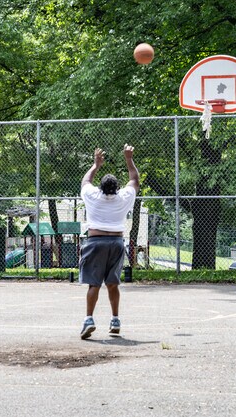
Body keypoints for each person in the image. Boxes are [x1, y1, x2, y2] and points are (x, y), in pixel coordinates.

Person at [79, 144, 139, 339]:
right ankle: (115, 320)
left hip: (95, 242)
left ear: (101, 188)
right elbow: (134, 180)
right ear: (116, 188)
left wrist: (96, 165)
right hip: (116, 243)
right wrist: (128, 158)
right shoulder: (123, 198)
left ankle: (89, 319)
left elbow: (85, 181)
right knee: (113, 284)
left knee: (93, 284)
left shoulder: (93, 196)